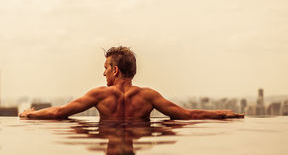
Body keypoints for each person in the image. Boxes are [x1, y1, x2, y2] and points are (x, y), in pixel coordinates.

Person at [19, 46, 244, 120]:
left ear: (115, 70)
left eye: (106, 68)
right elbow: (187, 115)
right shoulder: (148, 96)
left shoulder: (99, 95)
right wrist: (220, 114)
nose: (103, 73)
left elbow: (60, 112)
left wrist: (29, 114)